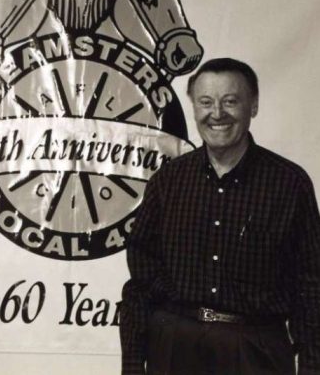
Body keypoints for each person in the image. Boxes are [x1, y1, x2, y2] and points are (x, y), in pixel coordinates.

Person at [120, 58, 320, 375]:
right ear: (194, 107)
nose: (217, 114)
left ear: (253, 106)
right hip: (175, 347)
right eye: (206, 102)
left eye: (230, 101)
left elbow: (311, 284)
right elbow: (141, 280)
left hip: (257, 350)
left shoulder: (289, 183)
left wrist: (311, 364)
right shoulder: (168, 182)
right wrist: (133, 362)